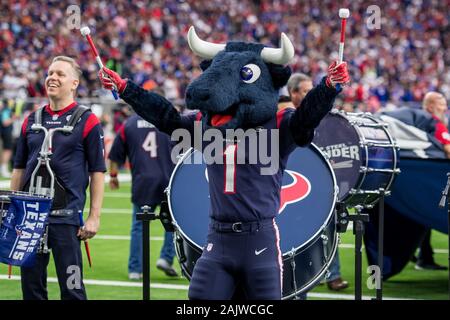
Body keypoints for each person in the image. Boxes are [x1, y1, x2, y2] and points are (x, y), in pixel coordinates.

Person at [98, 28, 350, 299]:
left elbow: (306, 119)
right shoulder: (207, 126)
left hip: (260, 239)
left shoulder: (277, 125)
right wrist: (127, 89)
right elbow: (166, 117)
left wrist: (327, 88)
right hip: (218, 239)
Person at [10, 56, 106, 300]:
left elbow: (97, 171)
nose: (52, 77)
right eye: (50, 73)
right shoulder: (30, 120)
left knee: (72, 289)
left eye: (60, 74)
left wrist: (94, 217)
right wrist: (12, 211)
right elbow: (19, 168)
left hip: (66, 220)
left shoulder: (88, 120)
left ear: (74, 83)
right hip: (30, 219)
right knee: (31, 290)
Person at [286, 73, 349, 291]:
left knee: (328, 225)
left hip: (317, 180)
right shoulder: (284, 116)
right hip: (292, 184)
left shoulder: (320, 116)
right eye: (305, 91)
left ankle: (333, 274)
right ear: (293, 93)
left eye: (311, 89)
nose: (309, 93)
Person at [108, 111, 178, 280]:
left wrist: (113, 176)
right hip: (169, 180)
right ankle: (166, 257)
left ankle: (135, 269)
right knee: (174, 224)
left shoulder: (129, 124)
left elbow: (114, 154)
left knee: (138, 226)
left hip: (143, 181)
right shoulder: (171, 121)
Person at [412, 91, 449, 270]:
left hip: (414, 178)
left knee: (421, 218)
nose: (445, 107)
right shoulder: (435, 122)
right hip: (431, 177)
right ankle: (420, 255)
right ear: (432, 105)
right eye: (442, 103)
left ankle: (422, 255)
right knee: (430, 216)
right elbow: (448, 149)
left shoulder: (417, 120)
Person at [0, 100, 13, 177]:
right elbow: (5, 122)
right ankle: (3, 169)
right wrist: (14, 118)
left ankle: (3, 169)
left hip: (5, 131)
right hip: (5, 131)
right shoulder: (6, 109)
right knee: (7, 150)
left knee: (6, 150)